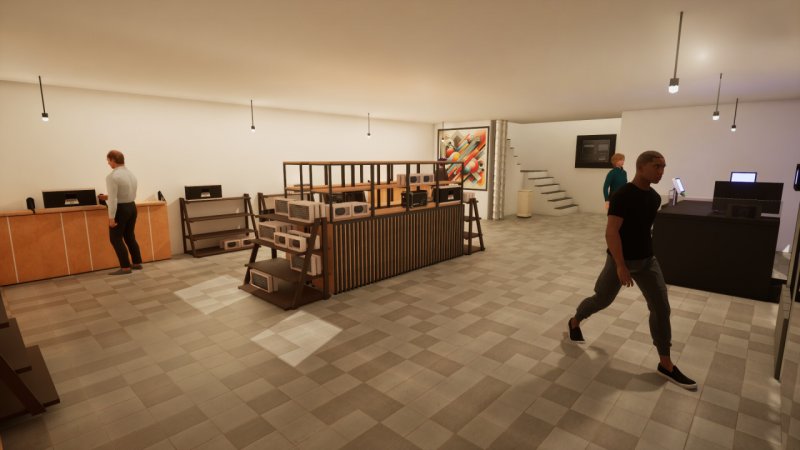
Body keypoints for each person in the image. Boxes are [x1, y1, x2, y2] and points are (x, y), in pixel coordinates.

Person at [567, 150, 696, 390]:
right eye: (657, 166)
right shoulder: (622, 196)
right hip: (620, 260)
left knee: (661, 307)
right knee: (602, 299)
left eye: (664, 167)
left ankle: (666, 363)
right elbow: (611, 232)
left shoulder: (654, 198)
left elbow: (642, 229)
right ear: (641, 167)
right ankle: (575, 321)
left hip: (647, 261)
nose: (661, 172)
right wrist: (620, 265)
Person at [99, 150, 142, 275]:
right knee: (129, 236)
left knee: (115, 238)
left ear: (113, 160)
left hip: (120, 209)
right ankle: (137, 263)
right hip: (132, 207)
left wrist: (111, 218)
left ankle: (125, 267)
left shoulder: (112, 176)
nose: (108, 163)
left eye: (108, 160)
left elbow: (113, 199)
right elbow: (124, 194)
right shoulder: (131, 174)